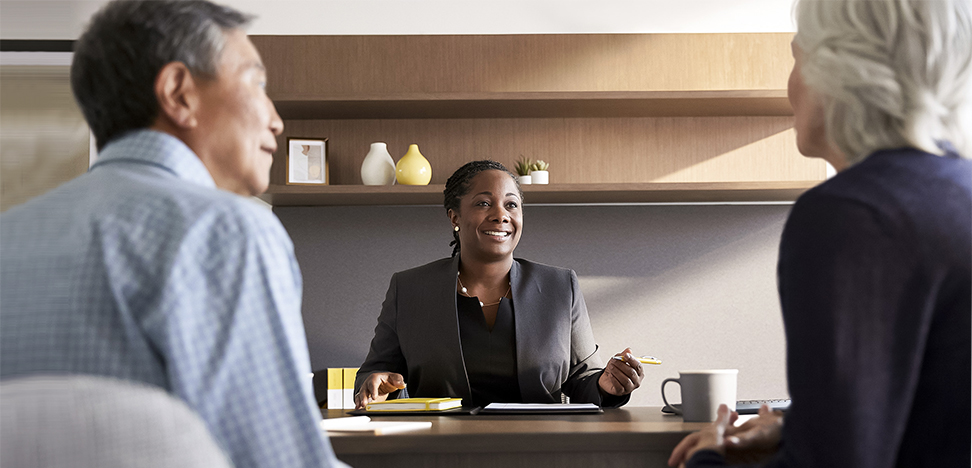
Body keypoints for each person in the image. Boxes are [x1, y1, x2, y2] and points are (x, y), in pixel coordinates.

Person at [0, 1, 346, 467]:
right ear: (180, 93)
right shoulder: (226, 231)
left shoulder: (10, 234)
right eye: (258, 83)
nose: (276, 119)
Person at [668, 0, 971, 467]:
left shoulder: (851, 215)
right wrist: (794, 428)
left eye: (797, 56)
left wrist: (709, 459)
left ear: (839, 64)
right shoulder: (956, 194)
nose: (790, 88)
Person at [354, 160, 644, 409]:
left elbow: (583, 379)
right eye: (483, 203)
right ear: (455, 216)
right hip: (438, 448)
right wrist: (374, 383)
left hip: (541, 448)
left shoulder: (560, 286)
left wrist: (608, 384)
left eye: (511, 204)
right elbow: (374, 373)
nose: (500, 214)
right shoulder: (409, 288)